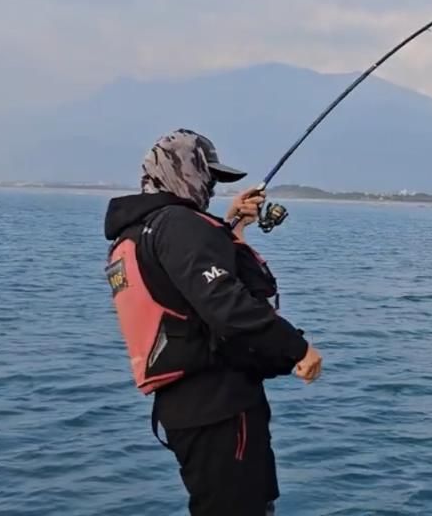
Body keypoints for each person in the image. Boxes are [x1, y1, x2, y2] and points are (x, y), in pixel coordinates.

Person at [102, 128, 323, 515]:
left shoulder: (140, 231)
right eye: (208, 176)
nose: (209, 187)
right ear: (183, 170)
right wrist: (297, 349)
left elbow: (192, 290)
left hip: (186, 407)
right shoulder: (179, 225)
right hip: (219, 406)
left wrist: (232, 225)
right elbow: (226, 304)